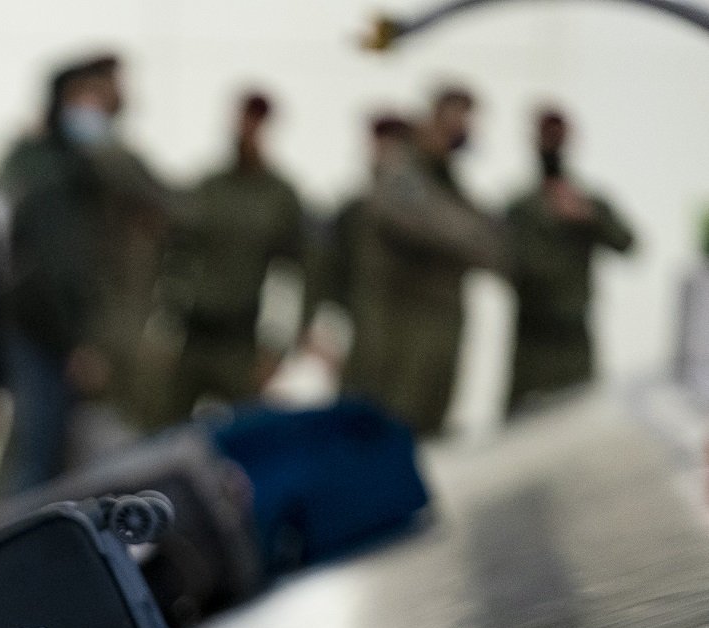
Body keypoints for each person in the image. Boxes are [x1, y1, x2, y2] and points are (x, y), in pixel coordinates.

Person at [354, 85, 506, 438]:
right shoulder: (401, 171)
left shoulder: (450, 183)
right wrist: (473, 234)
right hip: (399, 345)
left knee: (431, 435)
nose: (463, 130)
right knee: (388, 440)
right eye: (456, 119)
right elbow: (429, 224)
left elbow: (497, 249)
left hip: (439, 341)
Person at [0, 62, 109, 497]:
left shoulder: (72, 165)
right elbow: (54, 267)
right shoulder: (51, 171)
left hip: (41, 328)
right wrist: (74, 342)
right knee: (35, 460)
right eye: (93, 97)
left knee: (39, 454)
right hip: (41, 330)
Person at [162, 91, 307, 421]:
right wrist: (166, 330)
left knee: (246, 438)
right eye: (243, 119)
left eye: (256, 122)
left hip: (243, 343)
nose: (247, 129)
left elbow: (289, 276)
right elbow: (175, 260)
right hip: (193, 337)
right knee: (168, 433)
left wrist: (274, 346)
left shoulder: (280, 198)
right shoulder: (207, 189)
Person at [47, 53, 172, 430]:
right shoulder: (77, 162)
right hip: (89, 329)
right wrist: (84, 342)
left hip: (118, 321)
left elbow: (169, 209)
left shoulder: (115, 159)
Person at [504, 107, 635, 414]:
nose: (552, 144)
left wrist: (589, 217)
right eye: (546, 135)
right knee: (524, 423)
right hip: (532, 336)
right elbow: (506, 262)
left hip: (575, 334)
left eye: (557, 135)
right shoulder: (520, 208)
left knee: (579, 416)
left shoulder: (587, 201)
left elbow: (628, 244)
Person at [303, 113, 412, 389]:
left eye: (392, 148)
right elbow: (324, 274)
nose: (382, 156)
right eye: (378, 146)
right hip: (358, 337)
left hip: (409, 341)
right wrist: (322, 331)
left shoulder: (423, 218)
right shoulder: (352, 213)